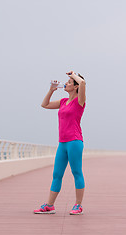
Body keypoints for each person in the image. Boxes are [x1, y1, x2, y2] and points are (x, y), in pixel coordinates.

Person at [34, 71, 86, 215]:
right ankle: (50, 205)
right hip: (62, 143)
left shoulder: (80, 101)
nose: (67, 83)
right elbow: (44, 105)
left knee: (76, 172)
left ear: (75, 87)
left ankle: (78, 205)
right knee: (57, 174)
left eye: (69, 82)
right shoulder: (63, 101)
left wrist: (74, 74)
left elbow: (82, 83)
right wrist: (51, 90)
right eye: (67, 81)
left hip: (74, 141)